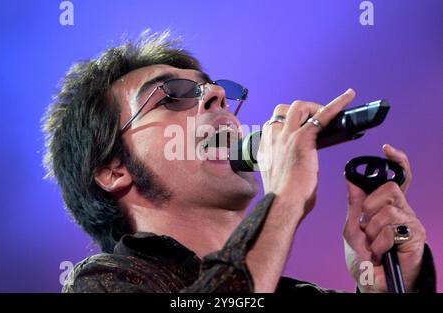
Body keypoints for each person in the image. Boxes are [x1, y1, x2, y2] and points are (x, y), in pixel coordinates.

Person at [43, 31, 435, 293]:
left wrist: (392, 280)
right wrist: (283, 200)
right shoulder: (99, 283)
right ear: (114, 170)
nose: (216, 95)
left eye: (213, 89)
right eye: (172, 95)